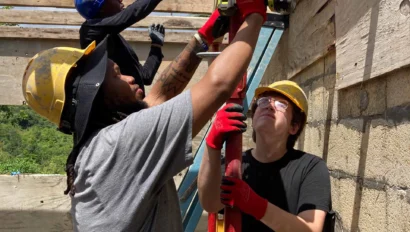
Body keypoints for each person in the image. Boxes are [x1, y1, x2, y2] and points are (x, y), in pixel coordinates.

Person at [21, 1, 267, 230]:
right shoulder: (118, 145)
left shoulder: (100, 143)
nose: (130, 77)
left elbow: (158, 94)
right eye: (117, 75)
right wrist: (254, 11)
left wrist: (202, 37)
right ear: (95, 96)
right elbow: (219, 84)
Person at [198, 80, 333, 232]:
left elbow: (311, 229)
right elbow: (210, 203)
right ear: (254, 117)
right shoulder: (234, 163)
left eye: (281, 104)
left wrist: (255, 205)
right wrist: (212, 145)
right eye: (263, 101)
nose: (269, 105)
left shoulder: (310, 167)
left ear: (294, 127)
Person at [75, 0, 166, 95]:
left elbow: (145, 77)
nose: (120, 0)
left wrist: (156, 45)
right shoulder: (90, 31)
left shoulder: (114, 39)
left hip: (134, 107)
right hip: (114, 108)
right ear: (101, 8)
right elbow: (133, 12)